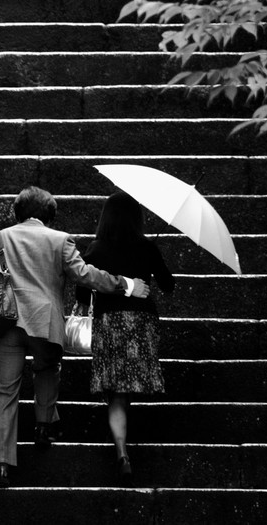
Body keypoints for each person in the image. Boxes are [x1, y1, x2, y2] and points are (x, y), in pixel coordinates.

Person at [0, 186, 150, 489]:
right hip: (45, 324)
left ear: (17, 212)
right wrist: (125, 284)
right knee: (48, 369)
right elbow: (85, 275)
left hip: (4, 327)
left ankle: (2, 466)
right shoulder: (60, 240)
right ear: (49, 216)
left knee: (2, 392)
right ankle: (43, 425)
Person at [75, 191, 175, 487]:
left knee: (116, 392)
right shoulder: (147, 246)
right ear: (136, 218)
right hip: (141, 323)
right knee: (124, 390)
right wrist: (151, 261)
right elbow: (169, 285)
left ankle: (121, 452)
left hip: (110, 323)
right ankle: (123, 442)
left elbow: (82, 290)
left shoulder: (96, 247)